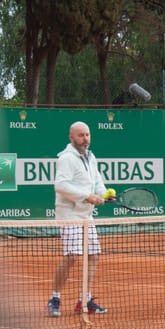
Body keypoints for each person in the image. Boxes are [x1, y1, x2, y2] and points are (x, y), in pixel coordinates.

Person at [47, 121, 109, 317]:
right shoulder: (66, 158)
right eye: (81, 135)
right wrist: (85, 195)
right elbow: (60, 185)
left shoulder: (91, 157)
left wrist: (104, 193)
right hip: (69, 214)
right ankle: (55, 298)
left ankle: (86, 299)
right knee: (72, 257)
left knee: (93, 255)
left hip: (86, 214)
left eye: (87, 135)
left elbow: (97, 181)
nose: (85, 139)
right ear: (71, 137)